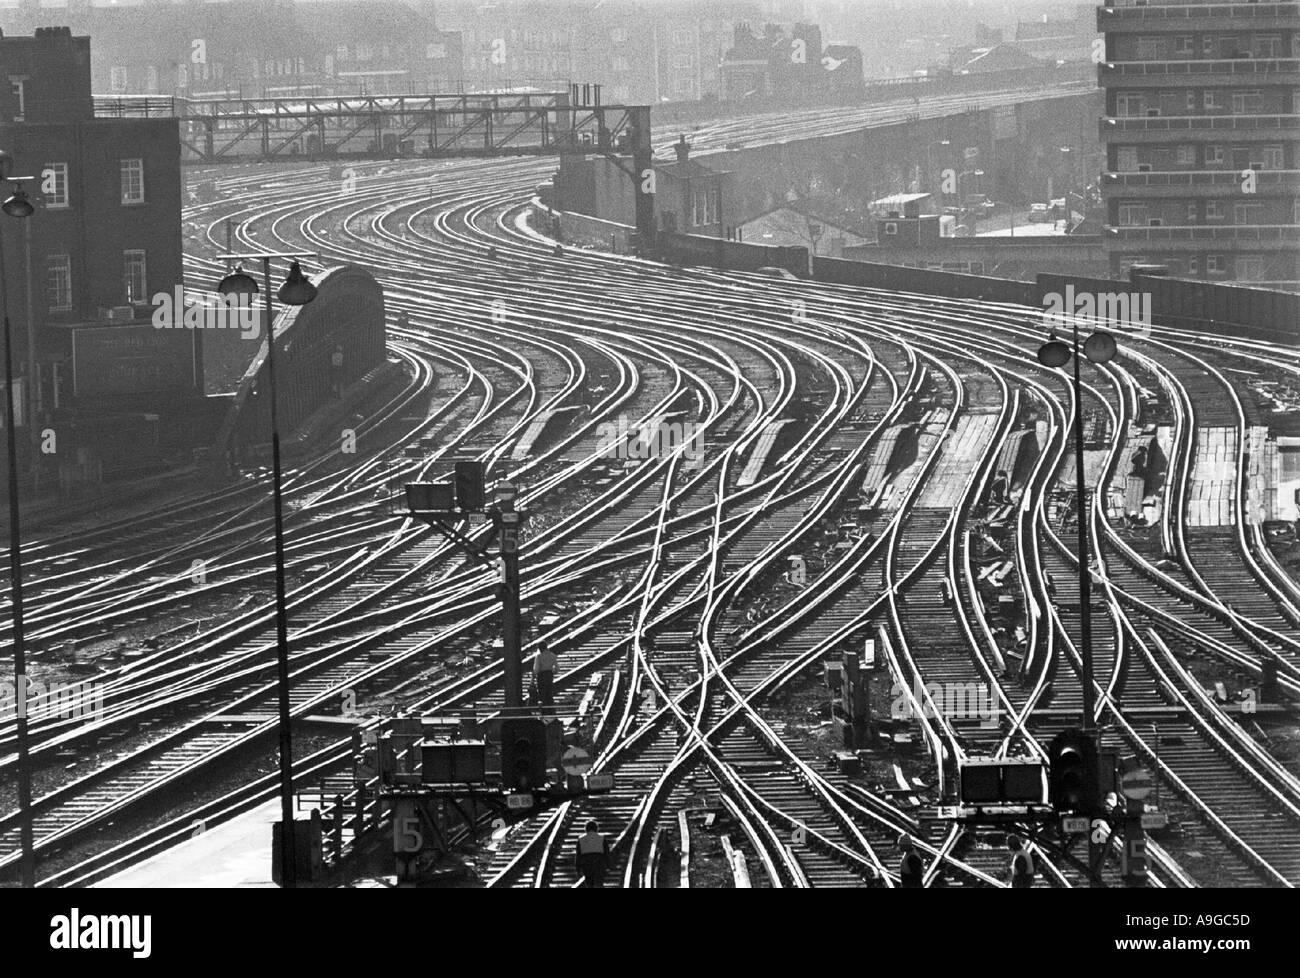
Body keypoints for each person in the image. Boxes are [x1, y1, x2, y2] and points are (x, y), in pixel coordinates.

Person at [575, 819, 609, 887]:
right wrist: (608, 865)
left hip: (587, 865)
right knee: (599, 882)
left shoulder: (581, 839)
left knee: (589, 883)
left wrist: (577, 868)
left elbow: (578, 855)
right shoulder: (602, 838)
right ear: (596, 828)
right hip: (599, 864)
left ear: (586, 829)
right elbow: (606, 853)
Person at [533, 642, 557, 708]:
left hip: (541, 676)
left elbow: (536, 669)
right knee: (549, 693)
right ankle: (551, 709)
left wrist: (534, 675)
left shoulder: (539, 656)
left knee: (542, 694)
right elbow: (557, 668)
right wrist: (552, 672)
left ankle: (544, 710)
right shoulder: (552, 655)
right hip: (549, 675)